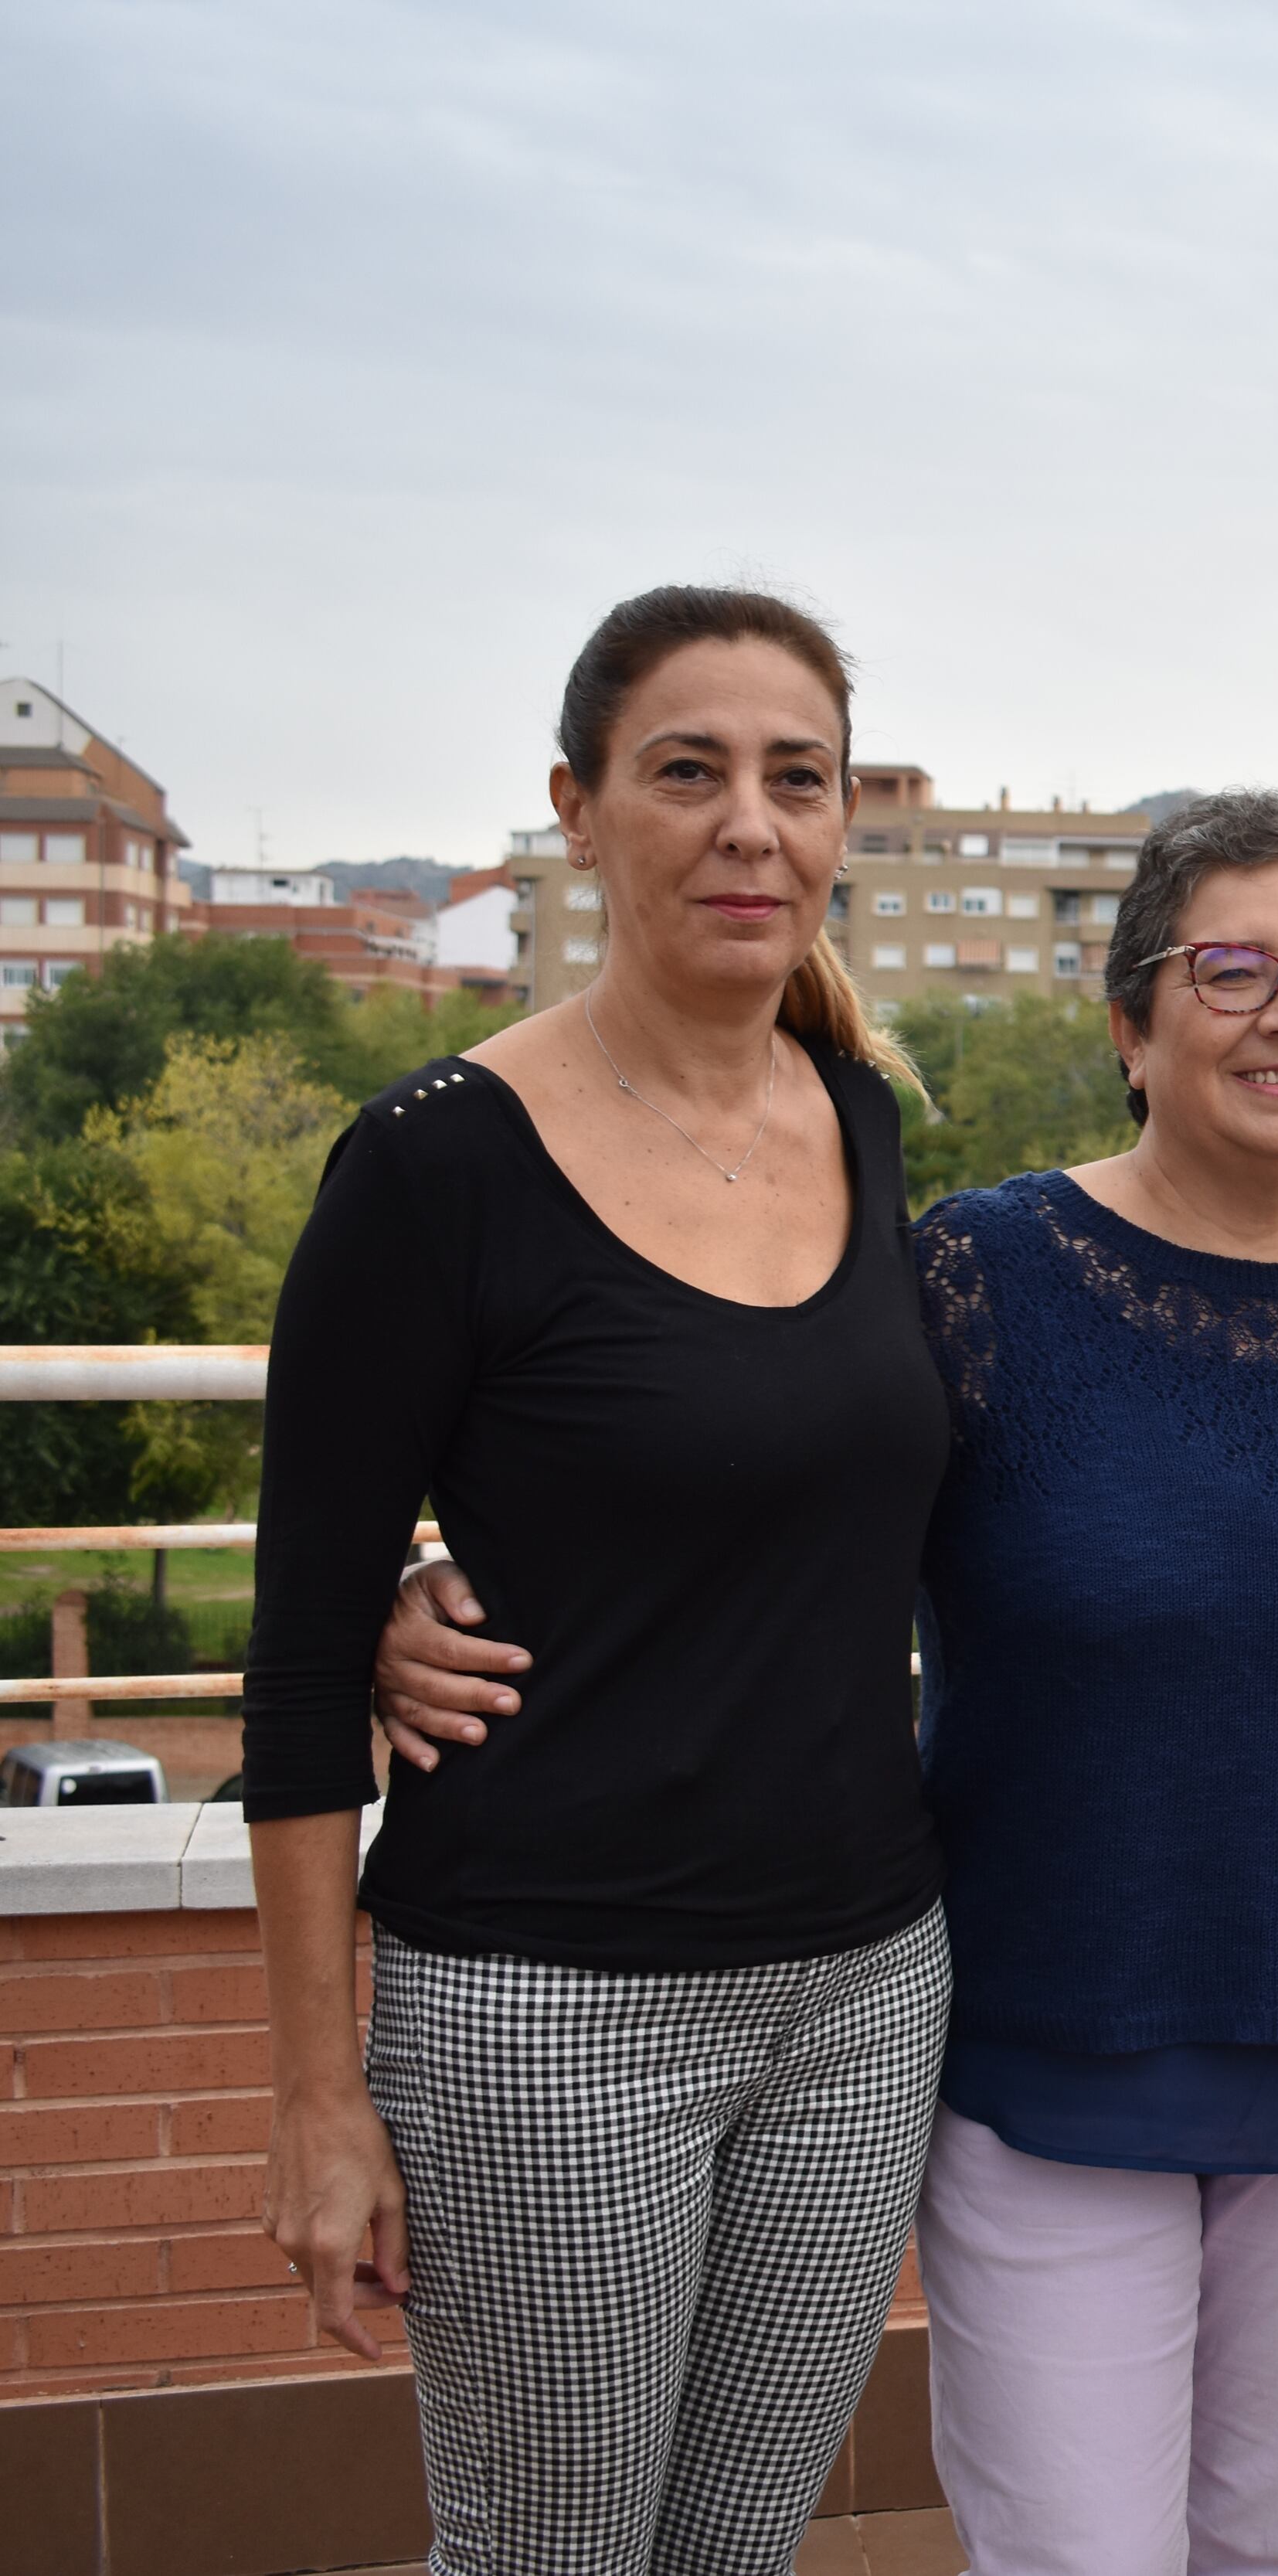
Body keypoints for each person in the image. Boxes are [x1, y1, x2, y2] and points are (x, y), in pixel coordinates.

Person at [371, 793, 1278, 2571]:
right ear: (1130, 1023)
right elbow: (741, 1466)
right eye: (1231, 968)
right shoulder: (984, 1273)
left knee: (1249, 2548)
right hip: (1052, 2053)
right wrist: (400, 1580)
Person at [244, 587, 957, 2571]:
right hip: (550, 2013)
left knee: (733, 2552)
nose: (750, 823)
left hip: (863, 1986)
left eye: (794, 779)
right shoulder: (434, 1162)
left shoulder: (864, 1117)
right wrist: (317, 2102)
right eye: (687, 771)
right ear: (578, 808)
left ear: (840, 825)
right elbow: (300, 1666)